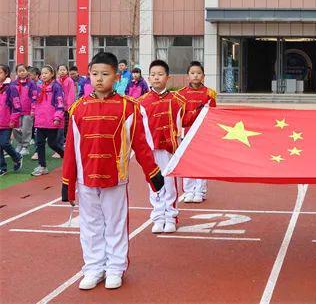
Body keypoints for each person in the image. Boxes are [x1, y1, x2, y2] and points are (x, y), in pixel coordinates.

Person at [61, 52, 164, 291]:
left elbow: (141, 144)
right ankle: (94, 266)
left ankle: (116, 267)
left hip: (116, 178)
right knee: (90, 225)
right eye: (94, 74)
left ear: (117, 77)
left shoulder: (129, 107)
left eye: (105, 74)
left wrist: (153, 174)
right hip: (86, 179)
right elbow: (71, 149)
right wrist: (68, 183)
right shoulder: (78, 108)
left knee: (115, 224)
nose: (99, 79)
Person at [138, 60, 186, 234]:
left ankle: (171, 217)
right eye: (153, 75)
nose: (156, 78)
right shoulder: (141, 102)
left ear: (168, 77)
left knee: (170, 184)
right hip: (150, 151)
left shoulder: (178, 101)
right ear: (148, 78)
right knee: (154, 184)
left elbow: (183, 124)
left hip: (170, 149)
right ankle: (158, 217)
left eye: (160, 74)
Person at [177, 61, 217, 203]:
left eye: (199, 73)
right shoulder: (180, 94)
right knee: (187, 163)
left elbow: (213, 114)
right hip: (187, 132)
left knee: (201, 162)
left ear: (203, 76)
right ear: (188, 76)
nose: (196, 75)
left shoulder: (209, 93)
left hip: (203, 133)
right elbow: (180, 116)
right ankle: (188, 190)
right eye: (192, 73)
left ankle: (200, 190)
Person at [32, 65, 65, 176]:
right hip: (40, 121)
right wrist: (33, 111)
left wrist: (57, 117)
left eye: (46, 73)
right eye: (42, 73)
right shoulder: (39, 86)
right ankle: (42, 166)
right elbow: (35, 100)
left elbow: (60, 103)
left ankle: (65, 155)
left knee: (52, 144)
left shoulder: (56, 87)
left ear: (52, 74)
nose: (44, 75)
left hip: (52, 121)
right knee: (39, 143)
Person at [0, 65, 22, 176]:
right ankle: (2, 167)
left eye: (0, 73)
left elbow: (17, 106)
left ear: (6, 74)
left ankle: (17, 157)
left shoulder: (11, 88)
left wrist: (13, 119)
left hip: (6, 122)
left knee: (4, 143)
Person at [12, 63, 38, 156]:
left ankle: (25, 146)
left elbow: (34, 96)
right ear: (17, 73)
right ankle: (19, 143)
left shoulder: (31, 83)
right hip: (16, 111)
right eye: (19, 71)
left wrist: (33, 109)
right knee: (15, 129)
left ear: (27, 71)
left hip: (28, 110)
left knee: (26, 129)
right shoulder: (13, 84)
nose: (22, 73)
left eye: (23, 70)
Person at [56, 64, 76, 153]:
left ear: (67, 71)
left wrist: (69, 106)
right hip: (58, 107)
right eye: (60, 70)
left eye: (64, 69)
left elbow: (71, 94)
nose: (62, 71)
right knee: (60, 126)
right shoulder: (56, 81)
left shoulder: (69, 80)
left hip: (67, 107)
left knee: (66, 125)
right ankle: (61, 142)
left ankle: (66, 142)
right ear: (57, 72)